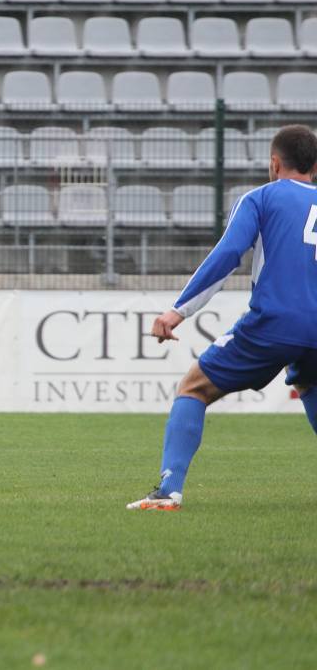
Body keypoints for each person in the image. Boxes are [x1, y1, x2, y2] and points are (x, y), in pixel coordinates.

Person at [128, 124, 317, 511]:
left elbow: (228, 253)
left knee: (193, 387)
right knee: (312, 386)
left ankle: (168, 491)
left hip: (275, 321)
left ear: (274, 162)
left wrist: (178, 310)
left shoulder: (261, 198)